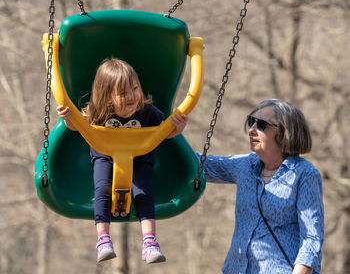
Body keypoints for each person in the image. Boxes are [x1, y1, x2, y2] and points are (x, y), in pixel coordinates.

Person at [57, 58, 188, 264]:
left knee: (143, 192)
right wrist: (67, 119)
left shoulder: (147, 112)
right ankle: (103, 239)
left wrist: (176, 130)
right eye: (123, 93)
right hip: (105, 157)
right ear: (107, 97)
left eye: (135, 89)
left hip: (139, 158)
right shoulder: (96, 111)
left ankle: (150, 241)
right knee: (102, 189)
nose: (132, 97)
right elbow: (77, 126)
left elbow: (164, 132)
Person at [198, 99, 324, 274]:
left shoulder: (305, 174)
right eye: (251, 122)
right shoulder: (244, 166)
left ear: (284, 132)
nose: (251, 130)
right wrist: (170, 133)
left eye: (262, 125)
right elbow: (198, 165)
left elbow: (311, 238)